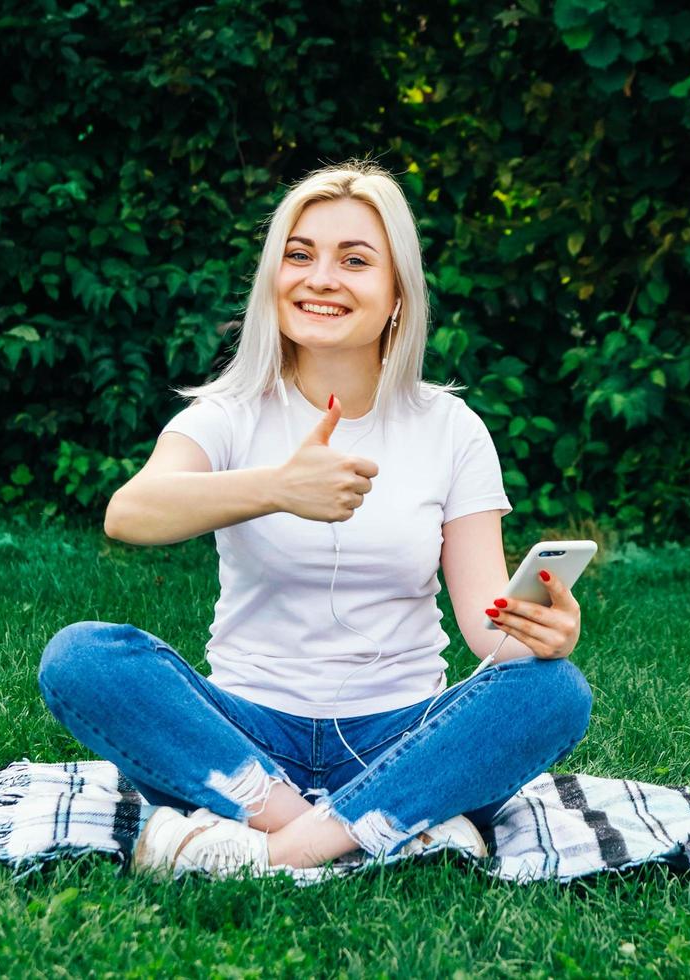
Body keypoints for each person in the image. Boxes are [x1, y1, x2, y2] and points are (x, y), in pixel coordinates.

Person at [37, 159, 592, 878]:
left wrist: (543, 631)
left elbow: (487, 628)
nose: (320, 278)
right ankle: (370, 826)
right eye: (299, 256)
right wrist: (277, 487)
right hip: (245, 737)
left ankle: (275, 851)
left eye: (354, 261)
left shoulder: (451, 429)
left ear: (397, 296)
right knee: (82, 658)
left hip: (400, 736)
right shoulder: (230, 412)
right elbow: (130, 513)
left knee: (555, 691)